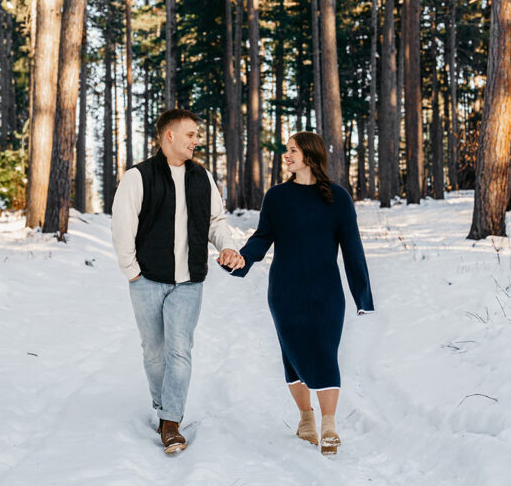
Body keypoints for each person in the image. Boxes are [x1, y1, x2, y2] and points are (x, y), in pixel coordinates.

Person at [230, 131, 374, 456]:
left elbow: (353, 249)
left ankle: (329, 425)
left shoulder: (337, 198)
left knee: (325, 354)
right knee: (293, 357)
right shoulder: (277, 197)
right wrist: (242, 259)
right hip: (285, 292)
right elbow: (262, 237)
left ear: (309, 155)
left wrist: (361, 296)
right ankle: (306, 417)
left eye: (292, 150)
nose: (286, 155)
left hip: (327, 293)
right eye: (286, 150)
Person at [111, 108, 244, 455]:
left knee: (179, 350)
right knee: (153, 352)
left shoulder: (203, 178)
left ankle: (171, 423)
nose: (196, 140)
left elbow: (216, 221)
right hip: (147, 280)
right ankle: (162, 405)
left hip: (189, 282)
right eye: (190, 134)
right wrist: (132, 272)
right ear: (169, 135)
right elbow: (122, 225)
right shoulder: (137, 177)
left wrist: (227, 246)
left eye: (197, 134)